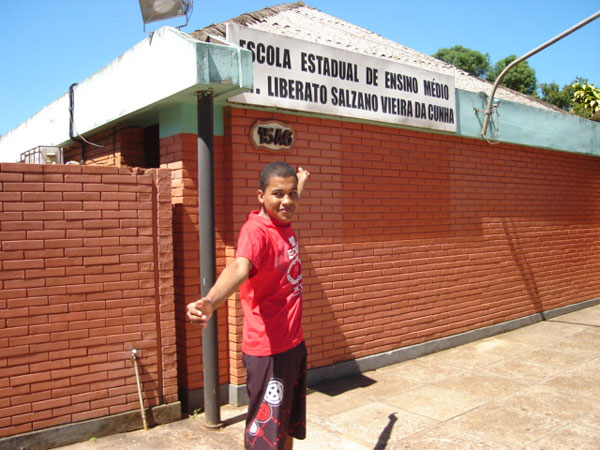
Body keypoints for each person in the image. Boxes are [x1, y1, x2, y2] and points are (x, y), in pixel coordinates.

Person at [187, 161, 310, 450]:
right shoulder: (256, 232)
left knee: (286, 426)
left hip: (293, 344)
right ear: (260, 196)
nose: (287, 201)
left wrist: (300, 180)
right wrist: (211, 301)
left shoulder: (282, 220)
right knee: (265, 438)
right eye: (278, 194)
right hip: (269, 352)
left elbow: (289, 197)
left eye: (292, 194)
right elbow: (240, 268)